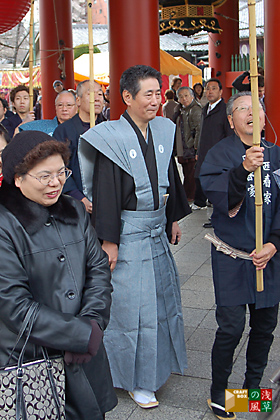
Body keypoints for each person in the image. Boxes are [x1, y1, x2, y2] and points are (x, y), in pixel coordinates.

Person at [78, 65, 190, 409]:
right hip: (127, 233)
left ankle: (157, 369)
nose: (156, 100)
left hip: (156, 227)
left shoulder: (163, 129)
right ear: (127, 97)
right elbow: (106, 190)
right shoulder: (112, 135)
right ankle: (133, 379)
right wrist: (108, 241)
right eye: (148, 94)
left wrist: (173, 218)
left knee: (161, 303)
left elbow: (170, 175)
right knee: (131, 310)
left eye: (159, 93)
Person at [0, 130, 117, 420]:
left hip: (85, 352)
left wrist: (92, 324)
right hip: (30, 357)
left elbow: (98, 270)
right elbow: (13, 304)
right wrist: (77, 335)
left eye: (61, 172)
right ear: (18, 178)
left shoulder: (74, 211)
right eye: (44, 176)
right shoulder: (4, 224)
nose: (56, 183)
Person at [200, 92, 280, 420]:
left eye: (255, 107)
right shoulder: (220, 154)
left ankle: (250, 393)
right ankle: (220, 392)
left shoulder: (276, 153)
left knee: (264, 327)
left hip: (269, 257)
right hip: (232, 257)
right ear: (231, 120)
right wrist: (243, 169)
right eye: (242, 109)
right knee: (232, 327)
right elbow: (218, 198)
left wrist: (274, 243)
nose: (251, 113)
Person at [53, 80, 105, 214]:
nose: (97, 98)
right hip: (76, 202)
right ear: (78, 100)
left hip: (105, 200)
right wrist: (80, 198)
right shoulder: (63, 131)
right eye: (91, 94)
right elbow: (60, 168)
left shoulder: (108, 127)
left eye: (100, 94)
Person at [193, 78, 233, 214]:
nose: (209, 91)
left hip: (218, 156)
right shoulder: (205, 109)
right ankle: (214, 213)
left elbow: (229, 135)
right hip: (205, 153)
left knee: (218, 185)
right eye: (208, 88)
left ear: (221, 92)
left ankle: (220, 216)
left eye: (214, 88)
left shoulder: (225, 110)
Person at [173, 86, 202, 202]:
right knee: (187, 173)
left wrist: (196, 147)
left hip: (190, 148)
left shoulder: (195, 109)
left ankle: (191, 196)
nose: (184, 99)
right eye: (181, 96)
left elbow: (199, 130)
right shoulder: (181, 109)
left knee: (191, 174)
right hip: (183, 147)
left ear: (192, 96)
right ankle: (188, 195)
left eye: (186, 96)